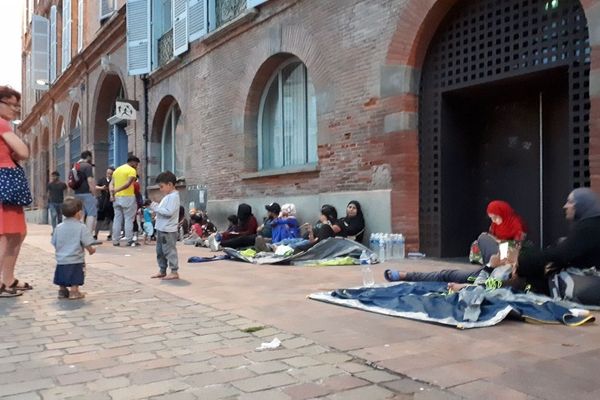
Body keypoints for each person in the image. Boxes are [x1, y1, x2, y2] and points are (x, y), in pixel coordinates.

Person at [516, 188, 600, 303]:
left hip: (591, 284)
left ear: (582, 205)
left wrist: (523, 261)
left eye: (570, 202)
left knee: (530, 282)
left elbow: (561, 254)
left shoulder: (589, 227)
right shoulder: (590, 224)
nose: (565, 206)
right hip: (588, 280)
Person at [0, 86, 31, 297]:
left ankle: (8, 280)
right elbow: (23, 151)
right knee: (8, 235)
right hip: (5, 182)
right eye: (12, 105)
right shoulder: (2, 124)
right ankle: (4, 282)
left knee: (16, 234)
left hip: (7, 183)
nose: (16, 110)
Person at [52, 197, 96, 300]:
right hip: (76, 259)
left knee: (61, 275)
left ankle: (62, 291)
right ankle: (74, 291)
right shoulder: (81, 227)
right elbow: (87, 242)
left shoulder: (58, 227)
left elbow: (54, 242)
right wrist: (91, 250)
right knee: (75, 276)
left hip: (61, 259)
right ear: (79, 213)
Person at [469, 200, 527, 265]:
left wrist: (500, 241)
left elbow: (518, 243)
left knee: (505, 247)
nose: (493, 220)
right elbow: (492, 238)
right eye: (491, 218)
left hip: (511, 249)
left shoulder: (516, 223)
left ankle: (499, 262)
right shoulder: (494, 225)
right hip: (497, 247)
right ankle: (488, 261)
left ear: (503, 213)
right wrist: (490, 237)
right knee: (477, 243)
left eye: (495, 217)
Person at [150, 171, 181, 280]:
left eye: (162, 186)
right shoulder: (168, 196)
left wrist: (155, 207)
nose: (160, 189)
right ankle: (162, 270)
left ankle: (174, 271)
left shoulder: (173, 197)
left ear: (170, 184)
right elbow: (164, 210)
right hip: (161, 228)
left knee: (169, 250)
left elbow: (168, 212)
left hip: (168, 229)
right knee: (160, 251)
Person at [109, 156, 141, 247]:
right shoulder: (132, 170)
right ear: (132, 162)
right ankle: (129, 240)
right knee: (128, 219)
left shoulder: (117, 170)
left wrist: (112, 194)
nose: (136, 166)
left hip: (116, 198)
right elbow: (128, 184)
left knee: (117, 219)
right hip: (128, 197)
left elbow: (111, 183)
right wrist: (117, 190)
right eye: (136, 164)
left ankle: (115, 240)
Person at [72, 150, 98, 236]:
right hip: (87, 193)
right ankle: (88, 236)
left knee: (80, 214)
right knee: (91, 213)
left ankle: (79, 234)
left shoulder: (75, 166)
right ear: (88, 157)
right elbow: (90, 180)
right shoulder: (87, 166)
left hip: (77, 193)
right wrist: (94, 193)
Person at [95, 167, 114, 241]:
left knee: (112, 219)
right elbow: (96, 186)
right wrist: (102, 188)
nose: (109, 175)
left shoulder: (114, 181)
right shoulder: (102, 180)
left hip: (111, 202)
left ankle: (111, 234)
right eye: (108, 173)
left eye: (111, 174)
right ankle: (95, 234)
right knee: (100, 219)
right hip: (103, 202)